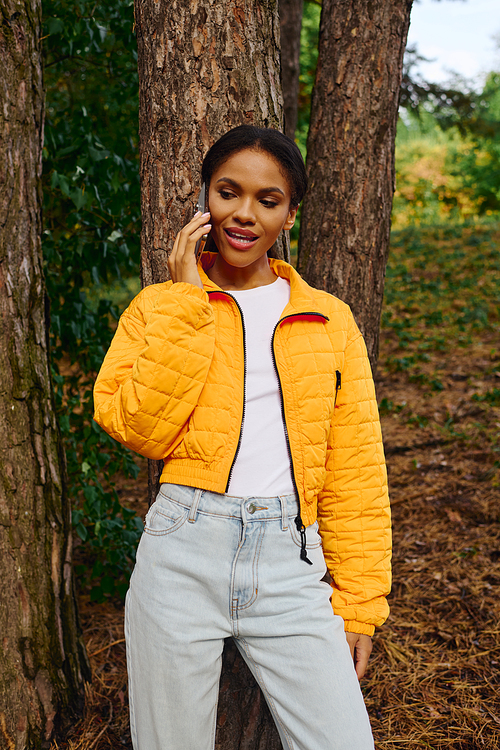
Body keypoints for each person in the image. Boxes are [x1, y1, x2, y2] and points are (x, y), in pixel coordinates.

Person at [93, 125, 391, 750]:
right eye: (229, 192)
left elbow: (355, 470)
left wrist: (360, 603)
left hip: (291, 561)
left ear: (289, 213)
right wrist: (185, 301)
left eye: (268, 199)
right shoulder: (158, 307)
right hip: (181, 552)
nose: (244, 214)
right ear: (206, 196)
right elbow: (138, 429)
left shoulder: (329, 320)